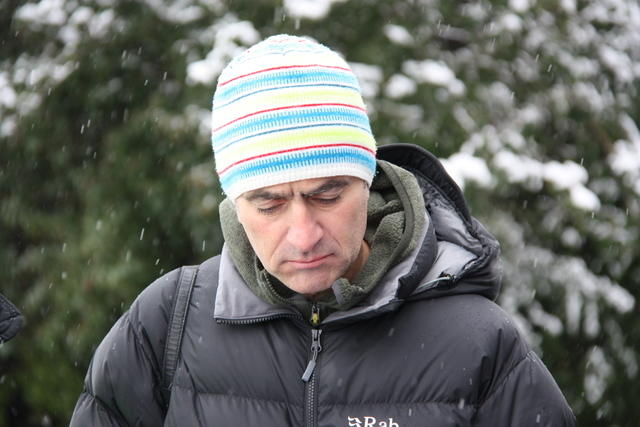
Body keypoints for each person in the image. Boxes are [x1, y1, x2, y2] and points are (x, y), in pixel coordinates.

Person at [70, 34, 576, 426]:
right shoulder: (168, 326)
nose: (304, 234)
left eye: (328, 195)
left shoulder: (478, 343)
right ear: (234, 204)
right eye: (269, 203)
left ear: (367, 180)